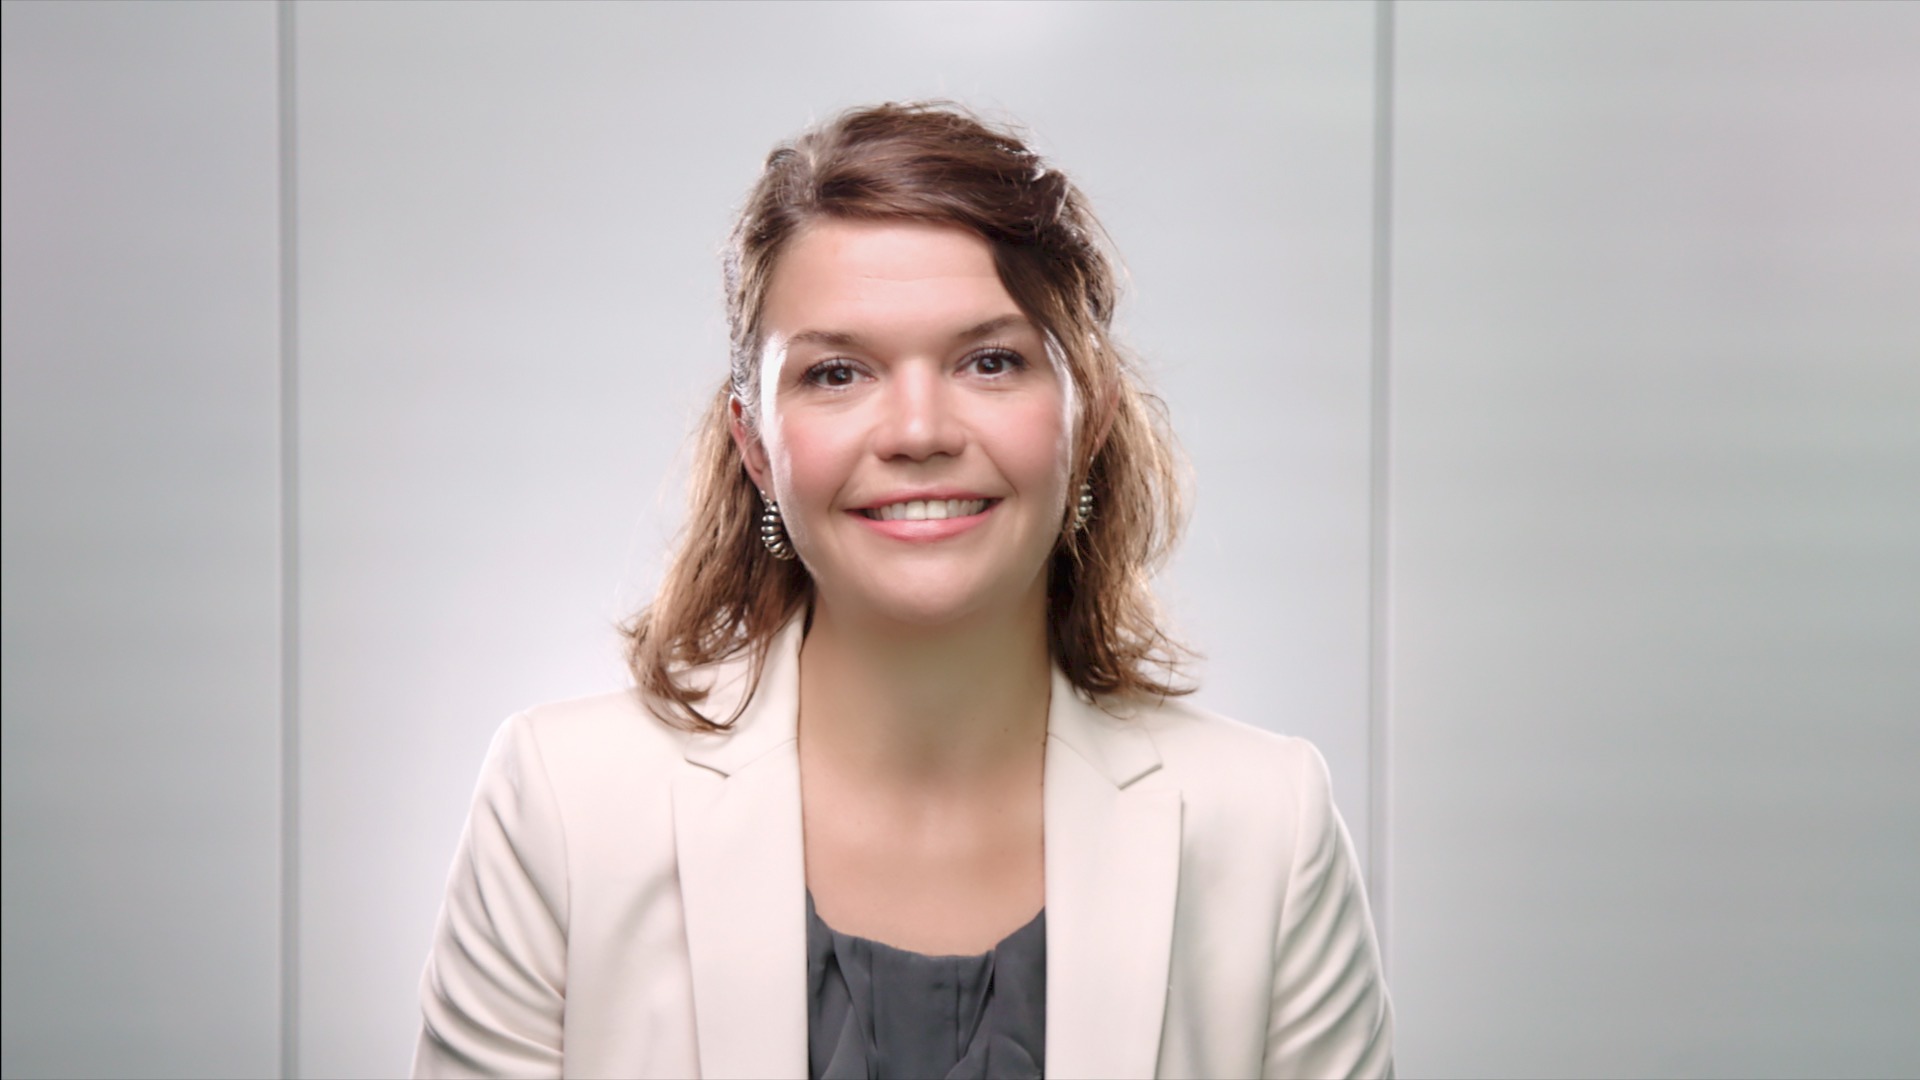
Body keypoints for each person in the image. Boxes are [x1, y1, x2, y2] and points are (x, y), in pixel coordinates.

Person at [412, 103, 1393, 1080]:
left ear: (1088, 415)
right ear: (756, 447)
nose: (919, 432)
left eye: (991, 361)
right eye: (838, 373)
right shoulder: (561, 807)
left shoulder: (1269, 828)